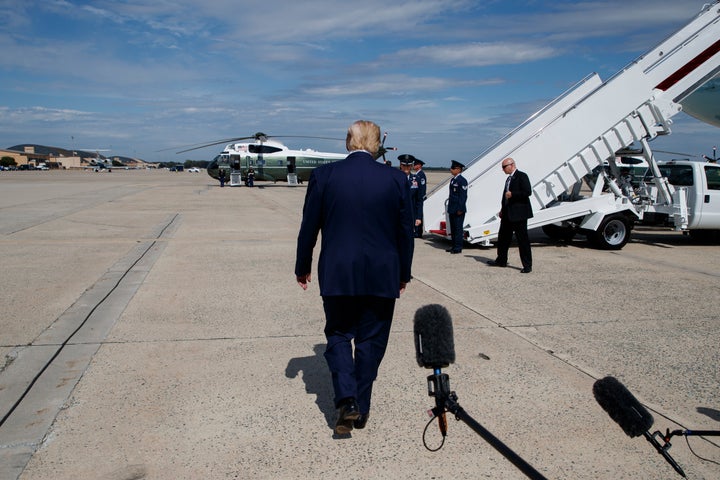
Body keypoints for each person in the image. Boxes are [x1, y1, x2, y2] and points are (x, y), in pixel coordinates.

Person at [295, 120, 414, 435]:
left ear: (349, 142)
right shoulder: (396, 179)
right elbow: (406, 233)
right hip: (382, 273)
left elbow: (309, 226)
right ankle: (360, 407)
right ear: (376, 144)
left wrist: (302, 264)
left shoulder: (325, 176)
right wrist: (404, 272)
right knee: (371, 340)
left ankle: (346, 400)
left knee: (338, 334)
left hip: (338, 271)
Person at [487, 157, 534, 273]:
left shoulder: (522, 176)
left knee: (522, 240)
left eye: (504, 167)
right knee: (503, 238)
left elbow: (527, 192)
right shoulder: (508, 179)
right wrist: (502, 209)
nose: (503, 170)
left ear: (511, 165)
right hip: (507, 214)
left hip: (519, 214)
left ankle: (527, 265)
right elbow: (505, 197)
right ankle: (501, 260)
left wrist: (513, 194)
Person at [446, 160, 467, 254]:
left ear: (458, 169)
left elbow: (463, 196)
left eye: (453, 168)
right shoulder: (453, 180)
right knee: (453, 229)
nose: (451, 169)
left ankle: (458, 247)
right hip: (452, 208)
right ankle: (454, 246)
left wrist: (460, 208)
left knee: (458, 229)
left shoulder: (462, 181)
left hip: (458, 209)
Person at [398, 155, 421, 237]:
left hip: (411, 214)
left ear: (411, 166)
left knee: (408, 239)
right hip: (397, 214)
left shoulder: (416, 179)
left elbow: (419, 200)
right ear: (401, 165)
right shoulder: (394, 178)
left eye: (408, 165)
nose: (406, 167)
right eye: (404, 165)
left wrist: (418, 217)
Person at [412, 157, 427, 238]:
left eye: (415, 164)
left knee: (418, 215)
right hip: (416, 198)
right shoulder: (417, 174)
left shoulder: (421, 175)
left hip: (419, 198)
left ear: (419, 165)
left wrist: (421, 197)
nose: (413, 166)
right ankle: (416, 230)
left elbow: (422, 188)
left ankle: (418, 232)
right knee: (415, 214)